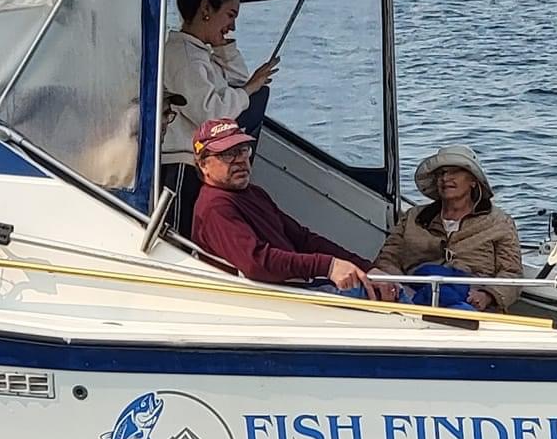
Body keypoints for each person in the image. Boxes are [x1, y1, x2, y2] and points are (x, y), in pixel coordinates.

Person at [188, 118, 396, 301]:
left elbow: (302, 238)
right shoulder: (215, 208)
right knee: (385, 297)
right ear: (203, 165)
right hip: (274, 298)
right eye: (228, 155)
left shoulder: (254, 193)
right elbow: (257, 263)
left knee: (409, 280)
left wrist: (367, 268)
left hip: (297, 287)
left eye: (243, 150)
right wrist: (328, 266)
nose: (241, 160)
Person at [160, 0, 280, 231]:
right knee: (180, 238)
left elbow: (236, 83)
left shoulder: (200, 53)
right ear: (206, 8)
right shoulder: (183, 56)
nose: (233, 26)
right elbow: (212, 114)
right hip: (180, 166)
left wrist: (225, 48)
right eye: (230, 15)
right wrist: (250, 89)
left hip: (196, 165)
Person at [374, 145, 523, 312]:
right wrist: (400, 287)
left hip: (473, 305)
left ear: (473, 181)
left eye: (454, 172)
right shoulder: (413, 217)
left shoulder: (499, 223)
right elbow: (386, 259)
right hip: (413, 300)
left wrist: (487, 295)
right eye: (441, 173)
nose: (445, 178)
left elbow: (512, 273)